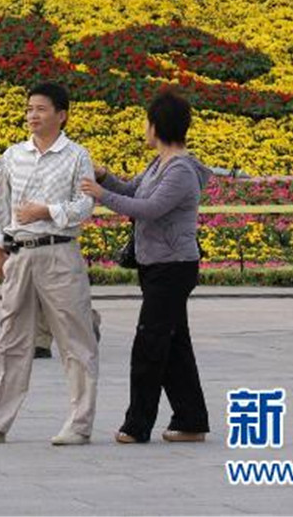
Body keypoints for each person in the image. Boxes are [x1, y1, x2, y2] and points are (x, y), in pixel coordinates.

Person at [0, 81, 98, 447]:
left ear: (61, 115)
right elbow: (3, 205)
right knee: (11, 340)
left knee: (74, 338)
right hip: (19, 253)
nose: (32, 115)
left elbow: (84, 206)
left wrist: (46, 211)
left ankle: (79, 424)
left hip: (59, 253)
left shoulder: (77, 156)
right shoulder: (13, 155)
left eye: (41, 109)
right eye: (29, 109)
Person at [82, 89, 211, 444]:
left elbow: (149, 208)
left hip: (174, 267)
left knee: (149, 344)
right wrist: (105, 177)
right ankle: (191, 420)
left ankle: (137, 425)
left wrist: (100, 194)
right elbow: (133, 191)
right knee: (173, 344)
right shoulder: (159, 164)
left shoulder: (181, 170)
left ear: (158, 125)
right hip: (156, 264)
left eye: (147, 121)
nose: (144, 127)